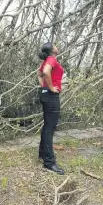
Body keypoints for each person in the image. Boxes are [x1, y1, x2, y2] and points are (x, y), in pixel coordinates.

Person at [37, 42, 65, 175]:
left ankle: (43, 154)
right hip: (51, 96)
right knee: (50, 128)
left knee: (47, 126)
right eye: (55, 45)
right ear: (52, 50)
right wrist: (51, 87)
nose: (57, 46)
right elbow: (46, 72)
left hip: (45, 95)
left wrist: (44, 86)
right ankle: (49, 162)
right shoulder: (52, 59)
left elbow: (39, 73)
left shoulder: (47, 60)